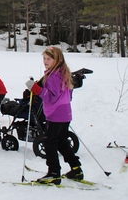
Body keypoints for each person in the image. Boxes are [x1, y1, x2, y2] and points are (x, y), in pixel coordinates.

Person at [26, 47, 83, 184]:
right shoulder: (63, 73)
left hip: (56, 114)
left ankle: (53, 173)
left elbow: (51, 97)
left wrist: (35, 89)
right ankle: (76, 169)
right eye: (44, 58)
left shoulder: (53, 76)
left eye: (48, 59)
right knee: (61, 141)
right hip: (65, 113)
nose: (45, 61)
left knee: (50, 142)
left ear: (57, 60)